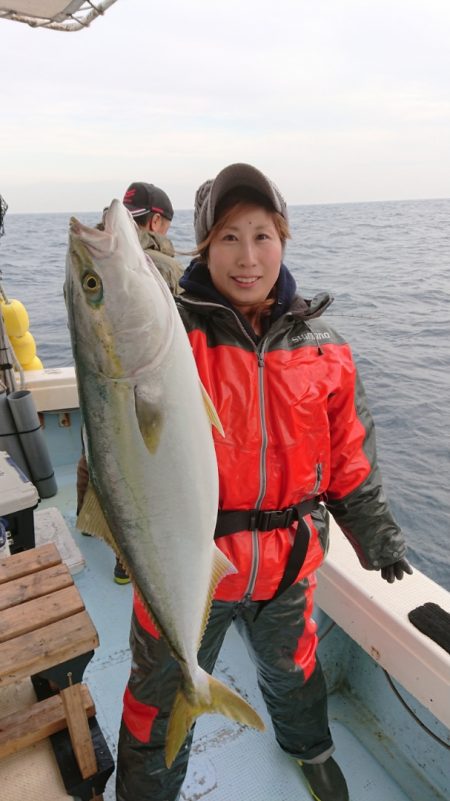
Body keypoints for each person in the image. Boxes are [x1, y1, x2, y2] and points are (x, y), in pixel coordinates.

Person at [115, 163, 412, 801]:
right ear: (202, 247)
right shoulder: (173, 337)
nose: (247, 257)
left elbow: (350, 457)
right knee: (157, 695)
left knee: (295, 669)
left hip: (289, 560)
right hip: (190, 564)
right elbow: (123, 433)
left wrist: (377, 536)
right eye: (228, 237)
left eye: (262, 236)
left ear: (283, 241)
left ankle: (310, 748)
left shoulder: (325, 345)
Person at [77, 181, 183, 584]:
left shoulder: (93, 261)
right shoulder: (159, 267)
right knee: (137, 465)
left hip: (101, 382)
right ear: (156, 221)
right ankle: (128, 561)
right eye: (167, 224)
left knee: (97, 452)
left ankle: (90, 522)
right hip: (145, 388)